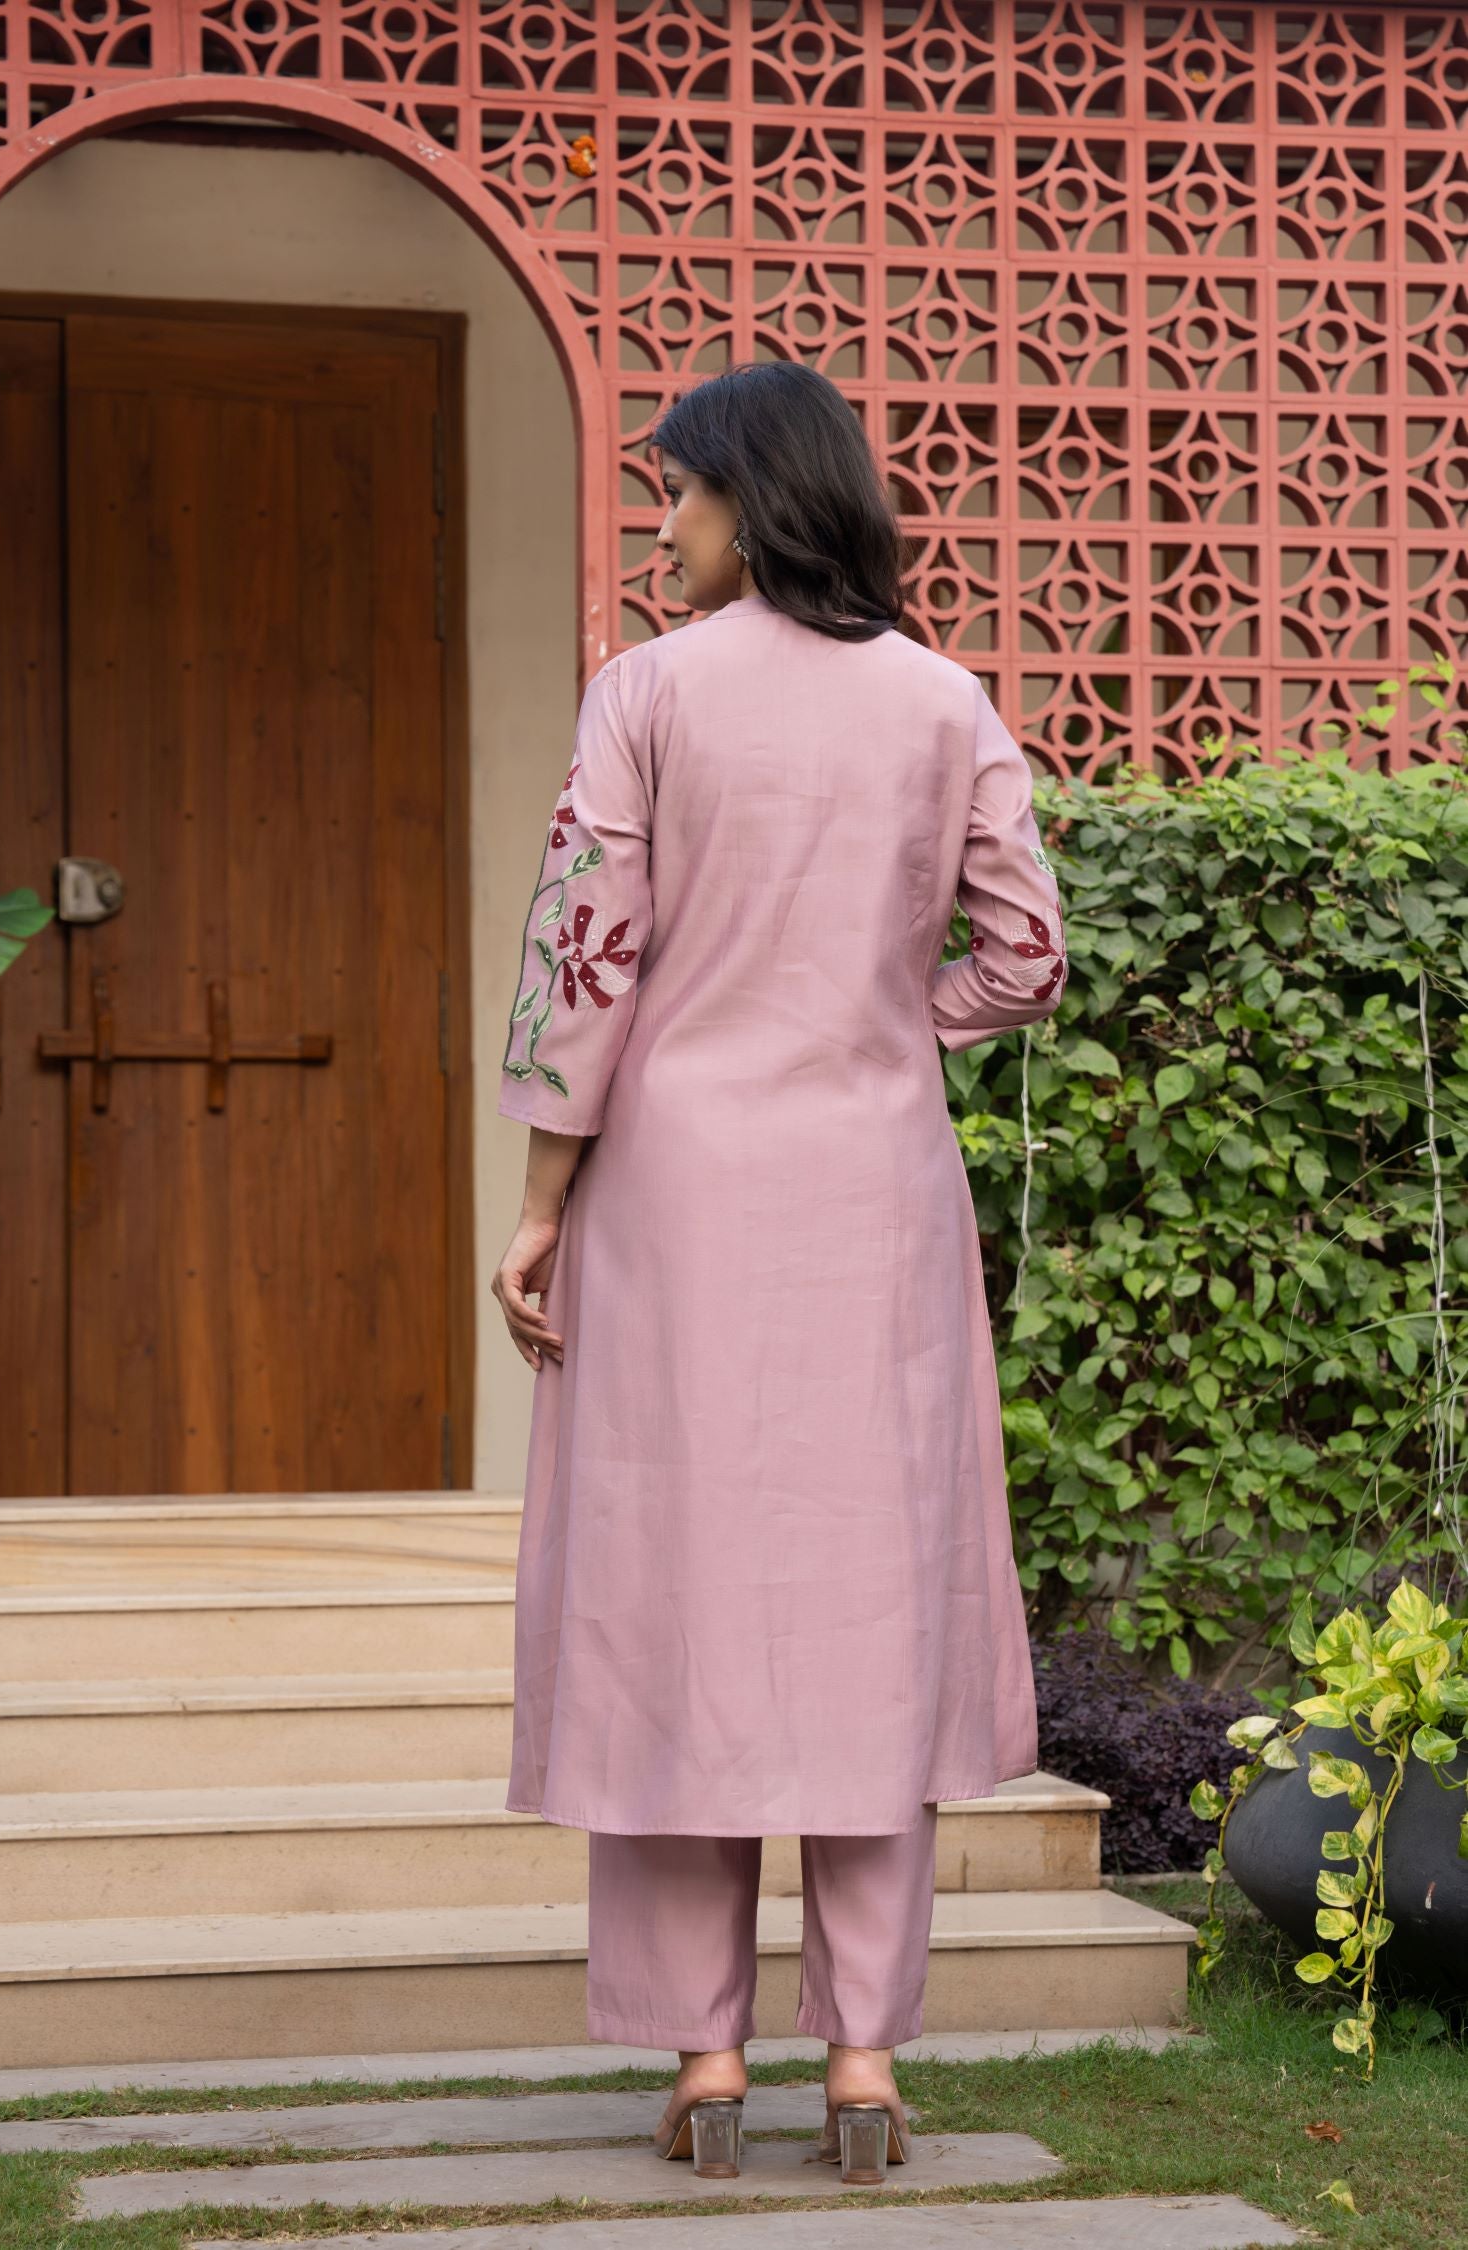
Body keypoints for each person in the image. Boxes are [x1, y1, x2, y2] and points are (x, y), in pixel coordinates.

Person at [492, 360, 1067, 2184]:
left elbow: (584, 966)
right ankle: (872, 2056)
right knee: (864, 1613)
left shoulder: (645, 694)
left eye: (679, 494)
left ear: (752, 497)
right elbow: (1029, 951)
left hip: (675, 1200)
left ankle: (710, 2052)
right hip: (873, 1199)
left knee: (678, 1608)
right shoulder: (943, 698)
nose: (665, 527)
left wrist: (537, 1199)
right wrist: (898, 1018)